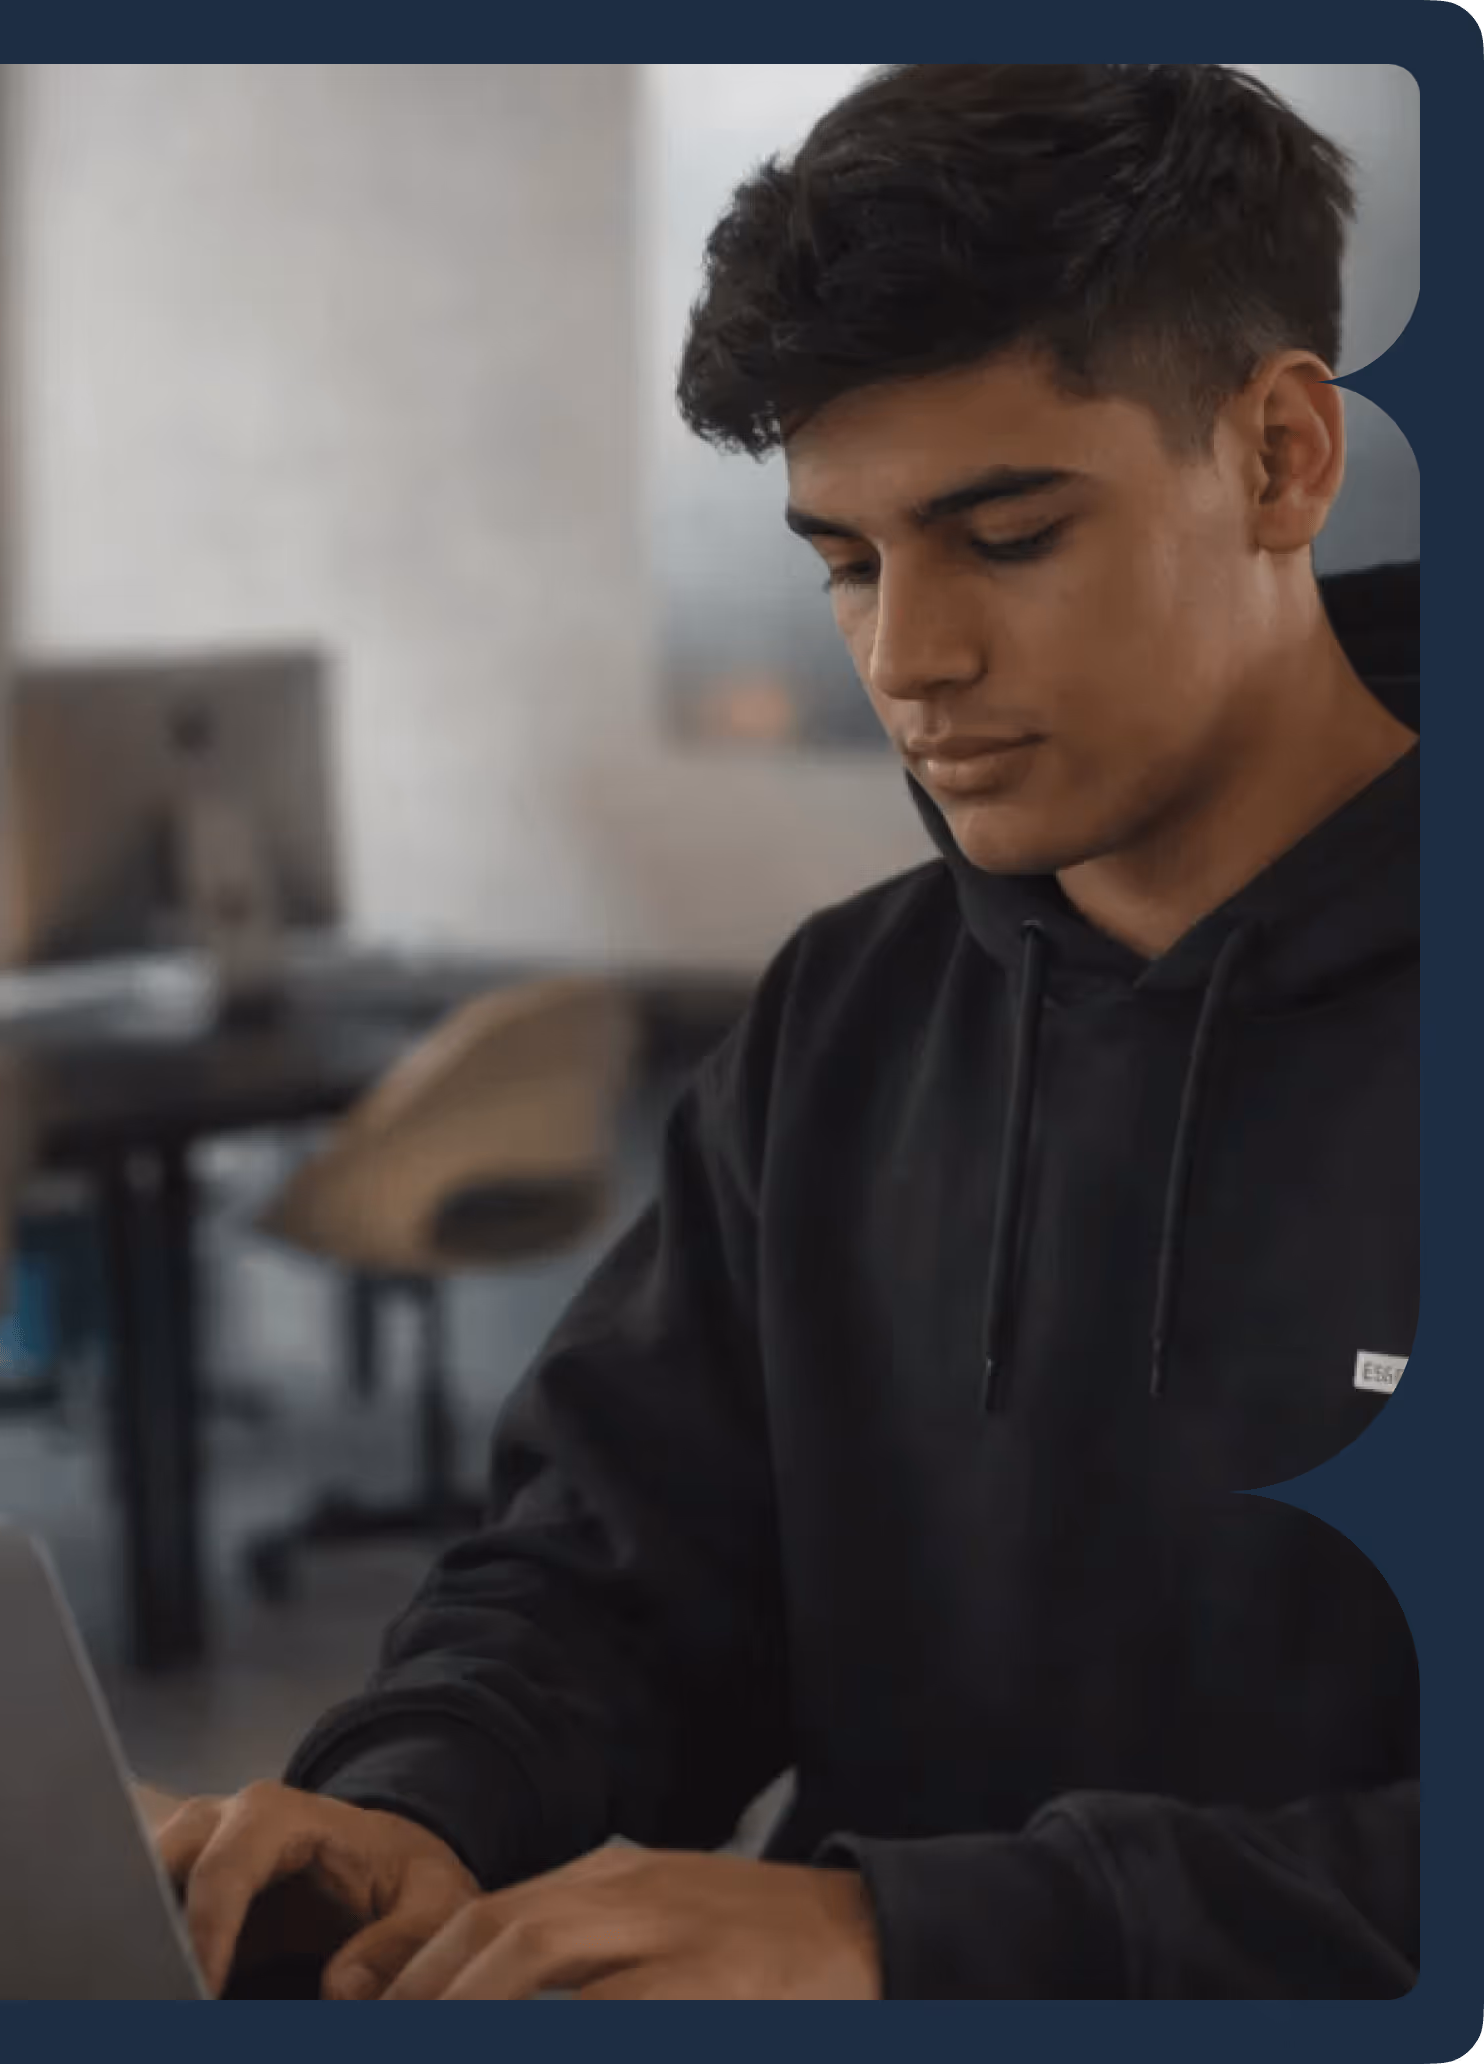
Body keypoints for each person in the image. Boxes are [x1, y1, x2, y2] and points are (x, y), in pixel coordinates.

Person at [137, 63, 1419, 1999]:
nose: (904, 658)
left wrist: (903, 1934)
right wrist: (419, 1799)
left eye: (1003, 537)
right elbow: (612, 1575)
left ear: (1277, 459)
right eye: (843, 560)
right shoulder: (843, 1017)